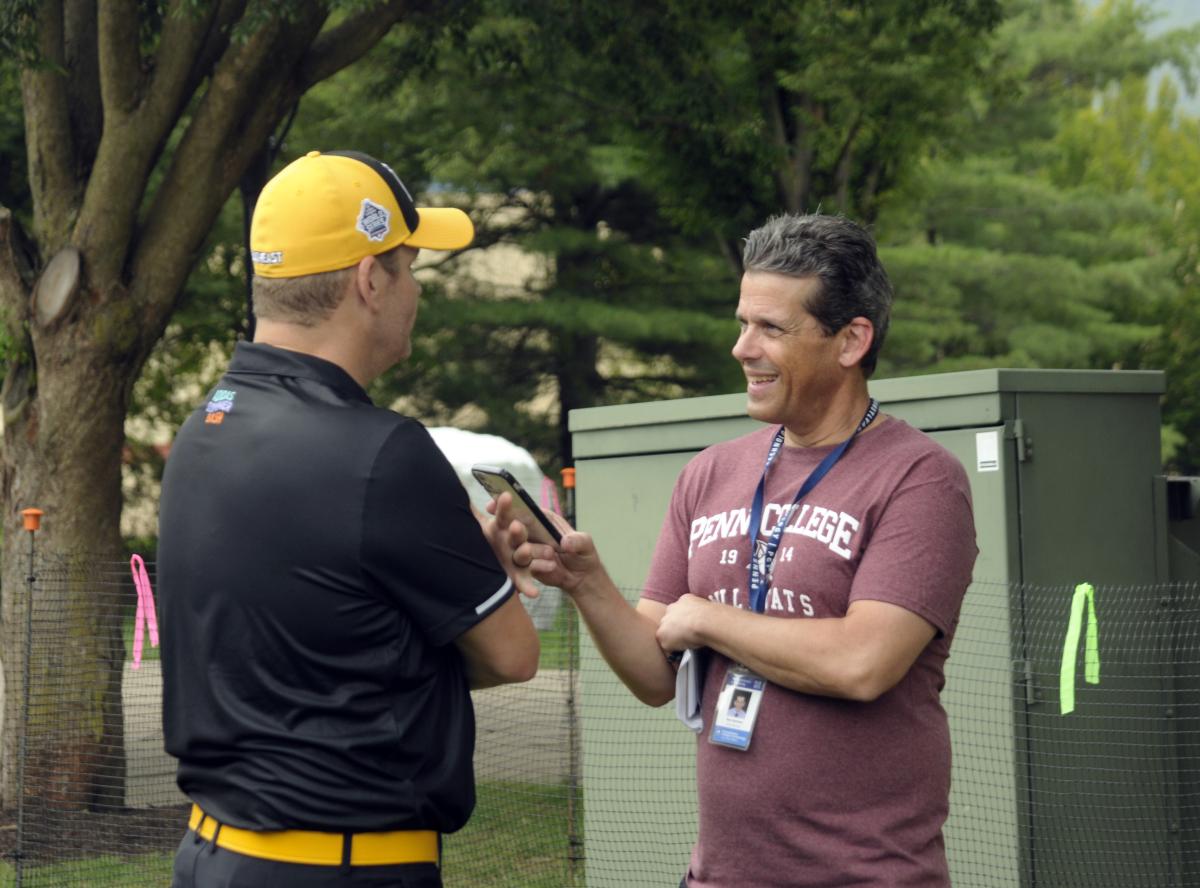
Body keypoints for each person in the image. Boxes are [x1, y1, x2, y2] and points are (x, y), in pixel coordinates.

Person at [500, 213, 978, 888]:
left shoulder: (920, 478)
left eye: (771, 328)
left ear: (851, 341)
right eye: (742, 322)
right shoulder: (712, 472)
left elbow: (863, 663)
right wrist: (586, 582)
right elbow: (656, 674)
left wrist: (709, 619)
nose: (741, 348)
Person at [158, 149, 540, 888]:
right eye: (410, 266)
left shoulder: (205, 429)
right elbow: (512, 655)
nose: (416, 290)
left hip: (211, 856)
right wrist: (475, 584)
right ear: (370, 280)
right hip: (340, 865)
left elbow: (313, 647)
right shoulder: (383, 453)